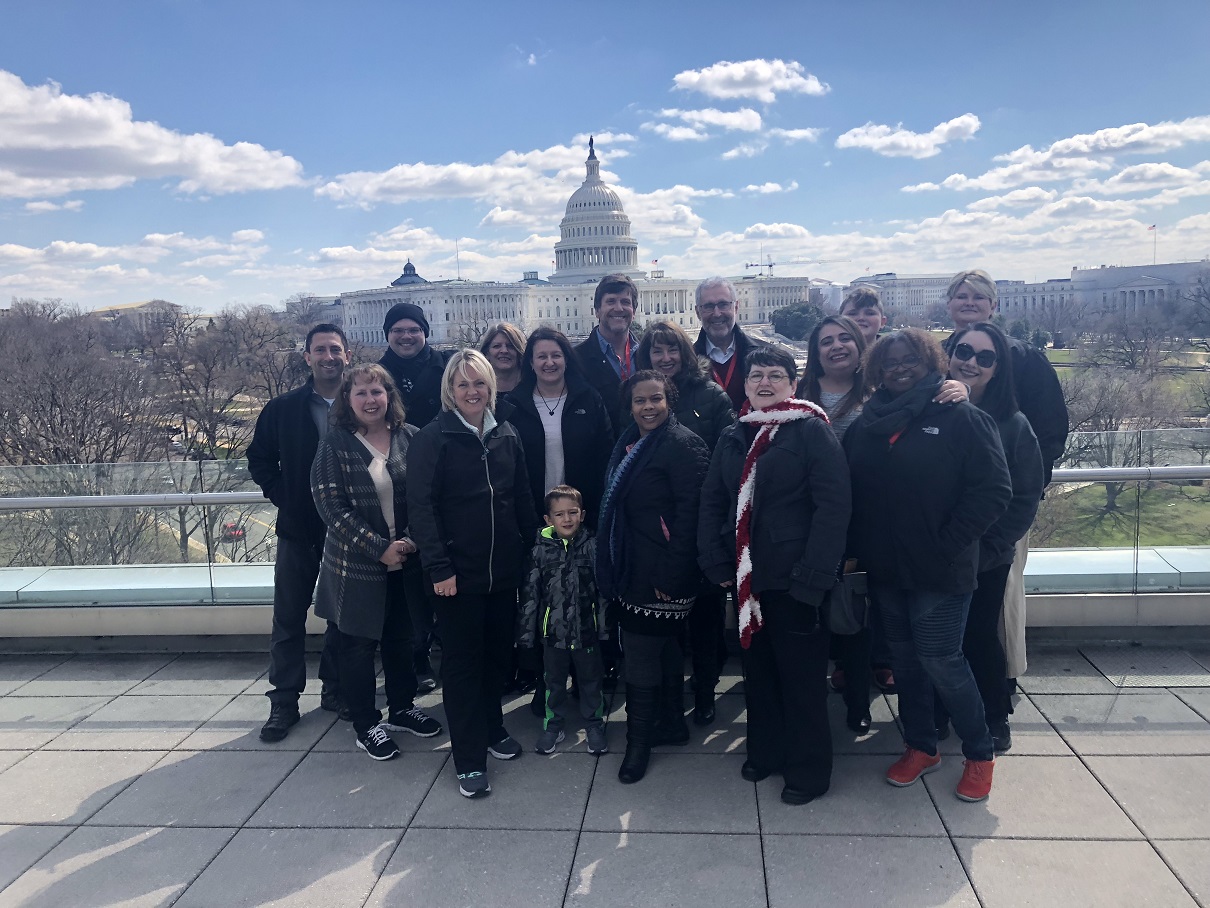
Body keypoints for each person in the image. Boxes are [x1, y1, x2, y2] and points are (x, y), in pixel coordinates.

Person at [844, 328, 1012, 803]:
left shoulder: (960, 417)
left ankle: (979, 752)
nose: (899, 368)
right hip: (887, 568)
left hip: (941, 569)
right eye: (889, 362)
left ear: (930, 363)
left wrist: (947, 544)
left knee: (943, 661)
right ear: (876, 370)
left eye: (909, 361)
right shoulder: (867, 423)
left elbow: (993, 491)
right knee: (905, 662)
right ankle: (921, 746)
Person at [699, 347, 850, 805]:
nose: (765, 383)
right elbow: (713, 500)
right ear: (744, 385)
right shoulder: (735, 433)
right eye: (756, 376)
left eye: (776, 376)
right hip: (749, 577)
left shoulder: (810, 431)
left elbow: (834, 507)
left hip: (795, 577)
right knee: (758, 671)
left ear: (793, 384)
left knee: (801, 678)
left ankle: (808, 770)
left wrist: (813, 576)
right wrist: (716, 561)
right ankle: (766, 750)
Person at [406, 349, 540, 799]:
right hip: (455, 576)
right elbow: (421, 509)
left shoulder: (506, 434)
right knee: (462, 667)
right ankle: (468, 758)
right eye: (463, 384)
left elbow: (521, 498)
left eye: (479, 383)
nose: (472, 391)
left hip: (502, 571)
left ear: (491, 387)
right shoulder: (433, 438)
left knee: (496, 658)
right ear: (450, 390)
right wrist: (438, 567)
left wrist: (530, 556)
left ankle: (491, 728)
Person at [311, 364, 443, 760]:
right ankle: (366, 723)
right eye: (361, 393)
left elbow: (428, 498)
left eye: (377, 391)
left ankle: (402, 709)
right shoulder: (335, 444)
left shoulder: (411, 437)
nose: (370, 400)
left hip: (405, 561)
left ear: (389, 396)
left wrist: (410, 542)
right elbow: (330, 507)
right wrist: (377, 546)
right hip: (356, 565)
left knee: (402, 640)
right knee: (356, 646)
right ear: (348, 401)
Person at [943, 270, 1069, 684]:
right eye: (961, 296)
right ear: (949, 304)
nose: (969, 302)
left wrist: (1026, 492)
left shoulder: (1024, 357)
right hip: (952, 508)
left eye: (978, 297)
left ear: (993, 306)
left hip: (1008, 505)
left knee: (1002, 598)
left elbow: (1049, 430)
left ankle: (1004, 677)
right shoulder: (942, 354)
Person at [597, 369, 710, 784]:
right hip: (636, 564)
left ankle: (638, 744)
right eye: (640, 400)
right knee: (662, 651)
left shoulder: (683, 445)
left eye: (656, 399)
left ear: (670, 400)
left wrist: (673, 574)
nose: (648, 407)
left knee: (641, 657)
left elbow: (693, 517)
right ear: (630, 405)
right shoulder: (634, 441)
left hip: (662, 572)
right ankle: (671, 725)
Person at [944, 322, 1043, 752]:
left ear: (998, 368)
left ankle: (994, 715)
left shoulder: (1014, 424)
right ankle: (944, 710)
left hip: (984, 553)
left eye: (985, 357)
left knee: (979, 635)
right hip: (937, 549)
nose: (971, 362)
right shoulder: (932, 409)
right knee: (940, 639)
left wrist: (992, 545)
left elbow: (1024, 496)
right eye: (964, 351)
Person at [248, 323, 348, 743]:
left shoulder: (363, 402)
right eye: (320, 350)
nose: (328, 357)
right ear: (306, 357)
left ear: (347, 356)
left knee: (342, 619)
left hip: (348, 531)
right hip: (297, 530)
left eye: (335, 350)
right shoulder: (283, 409)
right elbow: (260, 460)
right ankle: (283, 701)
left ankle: (336, 689)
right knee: (288, 620)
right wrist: (285, 496)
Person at [635, 320, 734, 725]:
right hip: (660, 528)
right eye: (656, 351)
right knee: (668, 617)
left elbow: (729, 453)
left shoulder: (710, 396)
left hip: (705, 521)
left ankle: (706, 688)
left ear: (685, 353)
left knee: (707, 618)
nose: (665, 358)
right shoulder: (641, 393)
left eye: (671, 350)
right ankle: (671, 692)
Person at [379, 301, 450, 690]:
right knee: (407, 581)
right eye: (399, 330)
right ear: (388, 335)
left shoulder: (445, 366)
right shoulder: (377, 374)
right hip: (399, 479)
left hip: (446, 473)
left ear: (425, 332)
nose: (407, 337)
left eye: (414, 329)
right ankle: (415, 657)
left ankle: (442, 648)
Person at [517, 485, 608, 756]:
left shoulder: (592, 548)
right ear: (548, 520)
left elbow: (603, 593)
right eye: (559, 514)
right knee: (553, 683)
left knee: (591, 681)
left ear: (582, 514)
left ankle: (594, 724)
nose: (566, 519)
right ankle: (553, 725)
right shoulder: (539, 552)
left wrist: (604, 629)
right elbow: (530, 595)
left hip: (586, 632)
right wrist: (525, 635)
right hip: (552, 635)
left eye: (572, 513)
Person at [506, 326, 615, 527]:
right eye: (542, 357)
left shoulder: (589, 399)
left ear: (566, 359)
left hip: (582, 515)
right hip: (533, 516)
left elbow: (605, 455)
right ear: (531, 362)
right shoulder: (514, 405)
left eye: (556, 355)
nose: (549, 362)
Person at [574, 273, 642, 435]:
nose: (618, 308)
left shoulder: (649, 355)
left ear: (634, 311)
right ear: (597, 311)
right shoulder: (576, 359)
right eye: (611, 301)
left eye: (625, 302)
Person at [692, 276, 768, 411]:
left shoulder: (766, 356)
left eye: (723, 304)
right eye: (709, 306)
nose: (717, 313)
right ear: (698, 312)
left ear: (736, 307)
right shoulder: (687, 362)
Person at [480, 322, 527, 394]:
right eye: (497, 346)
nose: (504, 351)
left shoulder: (534, 386)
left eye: (510, 346)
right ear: (486, 353)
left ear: (519, 351)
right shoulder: (478, 389)